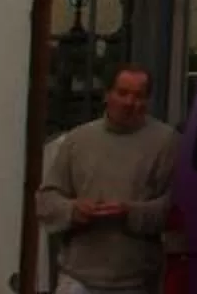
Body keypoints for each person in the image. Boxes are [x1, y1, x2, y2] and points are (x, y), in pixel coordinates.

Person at [36, 66, 176, 294]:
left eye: (138, 96)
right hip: (77, 278)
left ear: (147, 101)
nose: (129, 102)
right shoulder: (77, 140)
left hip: (137, 280)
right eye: (122, 93)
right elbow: (46, 199)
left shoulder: (166, 142)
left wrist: (130, 212)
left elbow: (174, 207)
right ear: (107, 95)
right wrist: (73, 210)